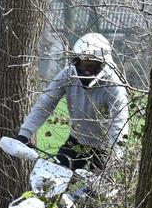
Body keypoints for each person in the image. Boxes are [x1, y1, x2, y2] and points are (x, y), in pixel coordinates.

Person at [17, 32, 129, 172]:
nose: (86, 71)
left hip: (105, 149)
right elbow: (45, 103)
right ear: (77, 61)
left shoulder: (113, 85)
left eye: (91, 65)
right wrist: (24, 134)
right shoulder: (68, 74)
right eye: (84, 64)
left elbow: (119, 122)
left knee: (96, 192)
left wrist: (116, 157)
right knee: (52, 179)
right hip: (76, 142)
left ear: (102, 64)